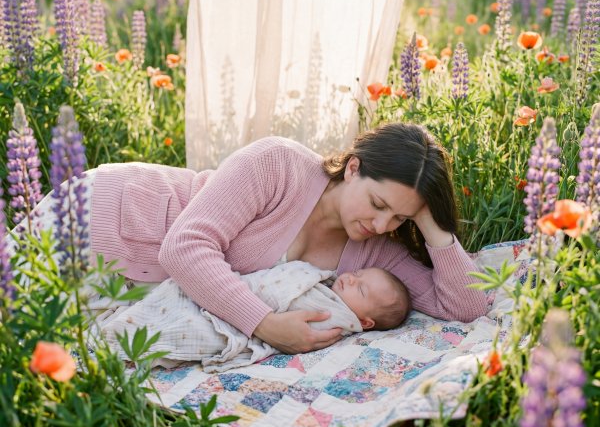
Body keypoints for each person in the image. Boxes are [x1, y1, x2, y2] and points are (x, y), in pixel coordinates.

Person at [88, 122, 487, 355]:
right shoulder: (278, 164)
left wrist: (431, 223)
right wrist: (265, 324)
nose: (383, 225)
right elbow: (184, 247)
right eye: (378, 203)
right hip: (107, 221)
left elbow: (465, 307)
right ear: (352, 169)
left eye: (400, 216)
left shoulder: (378, 250)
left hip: (138, 293)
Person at [98, 260, 411, 371]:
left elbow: (296, 321)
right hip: (240, 296)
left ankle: (122, 343)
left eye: (362, 290)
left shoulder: (338, 320)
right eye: (357, 274)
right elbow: (277, 279)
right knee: (178, 298)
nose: (352, 279)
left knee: (192, 330)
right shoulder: (327, 283)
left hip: (233, 324)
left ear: (365, 323)